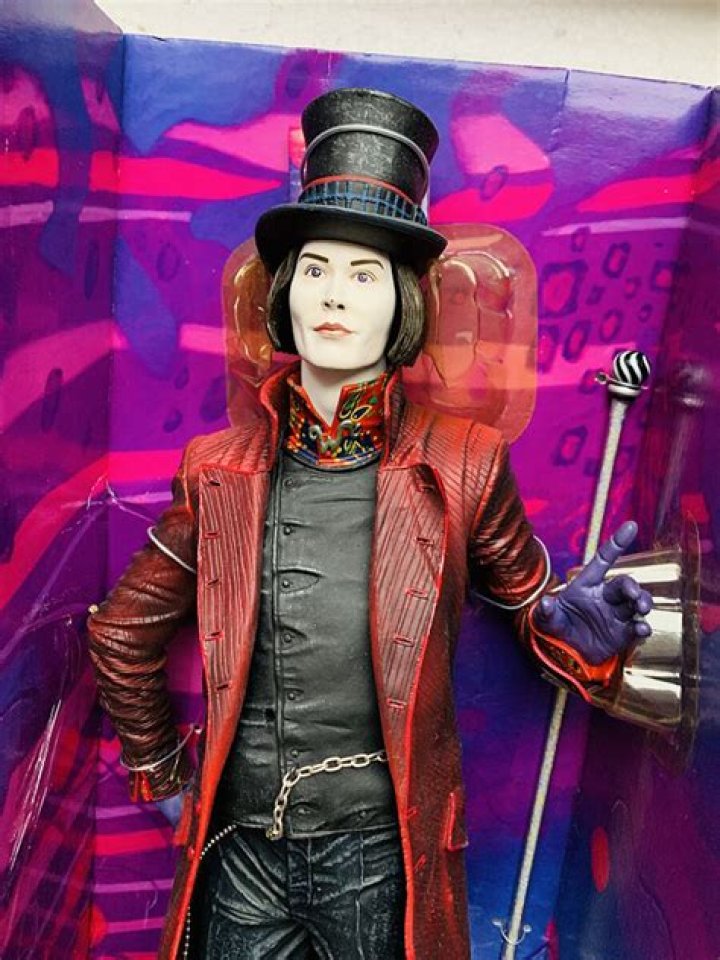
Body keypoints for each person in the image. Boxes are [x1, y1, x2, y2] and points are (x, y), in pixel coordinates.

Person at [87, 88, 652, 960]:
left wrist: (572, 630)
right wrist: (165, 781)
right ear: (284, 294)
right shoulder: (217, 469)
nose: (334, 297)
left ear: (403, 303)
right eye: (315, 269)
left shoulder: (464, 462)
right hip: (239, 854)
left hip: (382, 861)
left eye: (363, 275)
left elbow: (535, 614)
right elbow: (122, 634)